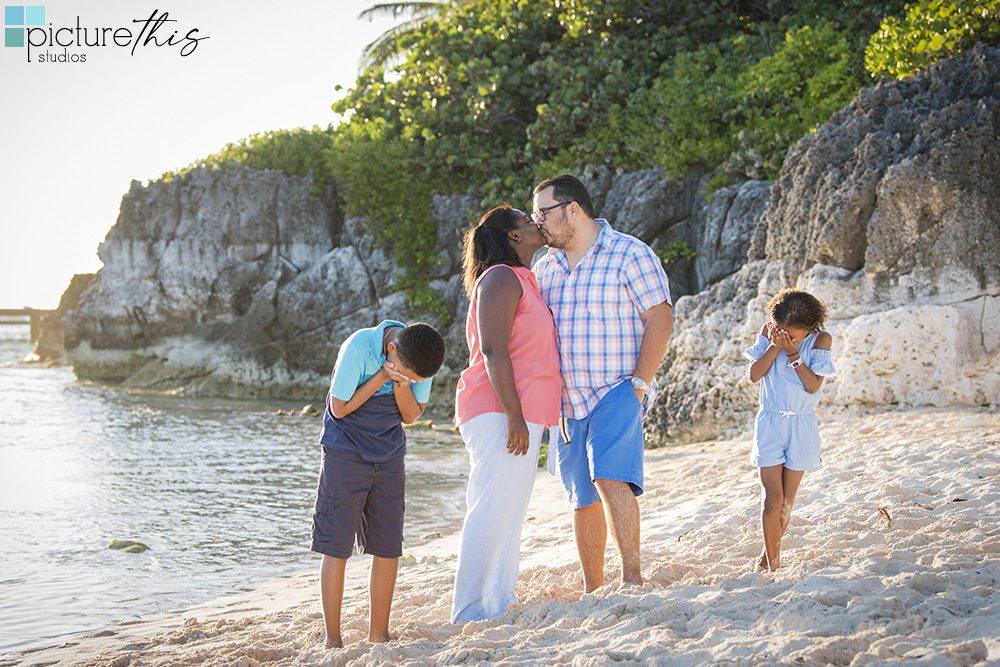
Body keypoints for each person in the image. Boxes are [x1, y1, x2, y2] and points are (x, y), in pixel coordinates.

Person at [531, 174, 673, 592]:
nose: (539, 222)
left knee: (610, 477)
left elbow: (660, 318)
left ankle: (632, 577)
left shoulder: (629, 253)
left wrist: (640, 383)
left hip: (617, 387)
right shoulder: (545, 269)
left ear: (572, 209)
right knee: (581, 497)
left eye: (544, 213)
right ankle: (594, 588)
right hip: (566, 402)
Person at [451, 205, 561, 623]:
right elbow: (493, 349)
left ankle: (496, 600)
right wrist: (514, 415)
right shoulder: (499, 277)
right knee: (490, 506)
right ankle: (469, 611)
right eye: (528, 220)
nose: (537, 223)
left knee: (508, 509)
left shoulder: (522, 280)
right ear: (513, 236)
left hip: (520, 410)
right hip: (500, 409)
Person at [310, 320, 445, 647]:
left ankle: (379, 633)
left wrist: (401, 383)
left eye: (417, 379)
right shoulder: (358, 348)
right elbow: (338, 409)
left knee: (388, 547)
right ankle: (332, 640)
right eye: (409, 374)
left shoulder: (420, 357)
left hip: (389, 455)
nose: (413, 381)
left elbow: (411, 416)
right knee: (336, 545)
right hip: (345, 451)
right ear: (391, 349)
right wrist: (383, 376)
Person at [744, 288, 836, 572]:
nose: (785, 337)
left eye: (792, 335)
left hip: (802, 424)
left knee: (787, 500)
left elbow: (812, 385)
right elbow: (754, 375)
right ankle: (773, 564)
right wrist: (774, 346)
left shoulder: (821, 339)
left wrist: (793, 352)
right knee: (772, 498)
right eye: (779, 331)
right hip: (770, 422)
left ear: (809, 328)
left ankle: (766, 554)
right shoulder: (770, 332)